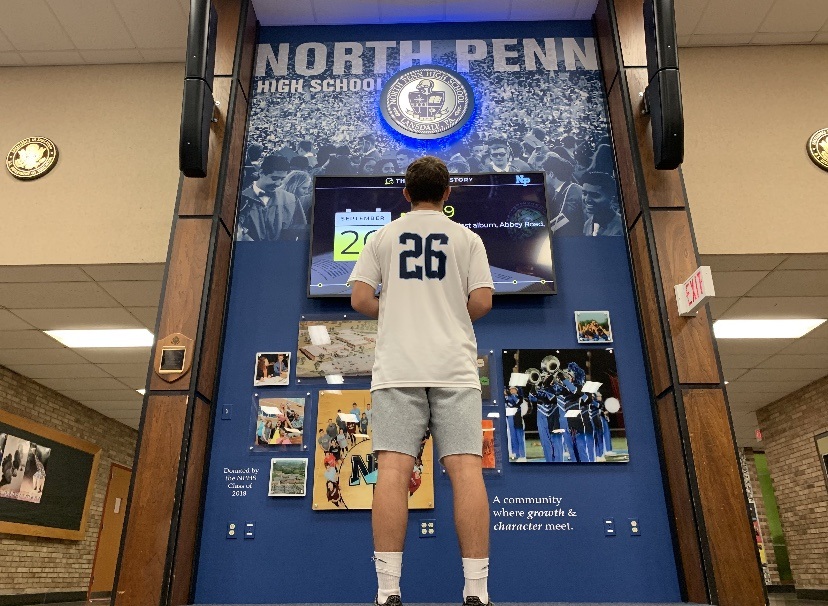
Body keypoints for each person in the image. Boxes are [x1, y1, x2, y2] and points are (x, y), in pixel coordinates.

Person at [349, 156, 494, 606]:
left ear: (405, 193)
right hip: (454, 367)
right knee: (467, 473)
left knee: (391, 473)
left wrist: (395, 312)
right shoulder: (468, 238)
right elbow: (483, 300)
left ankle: (387, 590)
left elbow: (359, 298)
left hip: (398, 368)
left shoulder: (382, 236)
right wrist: (449, 316)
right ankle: (477, 593)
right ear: (448, 193)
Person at [236, 154, 299, 241]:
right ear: (261, 173)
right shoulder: (241, 199)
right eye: (274, 178)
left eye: (282, 179)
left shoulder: (291, 199)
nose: (278, 183)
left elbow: (299, 231)